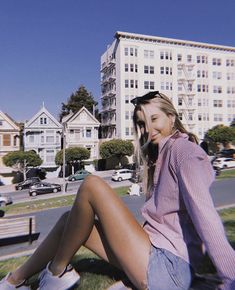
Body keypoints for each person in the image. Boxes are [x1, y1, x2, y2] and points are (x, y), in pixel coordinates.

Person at [1, 91, 235, 290]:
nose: (148, 129)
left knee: (92, 184)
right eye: (143, 124)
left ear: (171, 117)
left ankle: (56, 271)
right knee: (68, 220)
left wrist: (230, 276)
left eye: (155, 119)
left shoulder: (184, 151)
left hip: (168, 267)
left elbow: (205, 215)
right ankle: (14, 281)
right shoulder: (161, 155)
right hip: (154, 254)